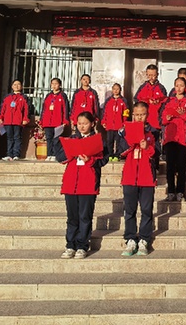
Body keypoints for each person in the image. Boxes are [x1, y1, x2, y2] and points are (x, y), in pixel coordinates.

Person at [55, 111, 108, 259]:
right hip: (71, 183)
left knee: (85, 216)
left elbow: (104, 160)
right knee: (72, 217)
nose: (82, 126)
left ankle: (82, 245)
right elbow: (59, 157)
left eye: (85, 123)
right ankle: (70, 245)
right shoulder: (72, 139)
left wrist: (90, 160)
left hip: (88, 183)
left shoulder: (98, 140)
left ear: (92, 124)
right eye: (79, 123)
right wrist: (71, 152)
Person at [119, 101, 157, 257]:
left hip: (146, 177)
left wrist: (147, 148)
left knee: (146, 210)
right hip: (129, 177)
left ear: (147, 115)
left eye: (142, 114)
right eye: (137, 114)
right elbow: (120, 151)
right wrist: (130, 142)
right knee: (129, 210)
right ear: (132, 115)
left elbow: (157, 153)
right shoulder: (125, 132)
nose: (139, 117)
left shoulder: (153, 133)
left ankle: (144, 239)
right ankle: (130, 239)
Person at [160, 77, 186, 202]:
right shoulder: (168, 101)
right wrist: (167, 118)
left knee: (181, 166)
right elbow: (162, 119)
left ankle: (180, 191)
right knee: (170, 167)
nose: (179, 88)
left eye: (181, 85)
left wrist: (183, 114)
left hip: (183, 138)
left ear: (185, 87)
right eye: (177, 85)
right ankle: (170, 191)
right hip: (170, 137)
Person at [134, 64, 167, 145]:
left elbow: (165, 103)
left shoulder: (161, 88)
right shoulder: (143, 87)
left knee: (155, 144)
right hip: (143, 122)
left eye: (153, 75)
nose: (151, 77)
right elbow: (136, 100)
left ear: (157, 75)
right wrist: (147, 101)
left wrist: (158, 102)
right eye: (149, 75)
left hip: (155, 122)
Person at [0, 79, 30, 161]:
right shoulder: (7, 97)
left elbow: (26, 109)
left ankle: (16, 154)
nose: (16, 86)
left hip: (18, 121)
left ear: (21, 87)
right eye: (15, 84)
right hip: (8, 121)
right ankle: (9, 154)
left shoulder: (24, 97)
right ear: (12, 86)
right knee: (9, 138)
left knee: (17, 138)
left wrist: (25, 119)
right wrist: (0, 117)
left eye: (18, 84)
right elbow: (2, 108)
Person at [40, 78, 69, 162]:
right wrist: (42, 121)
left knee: (56, 139)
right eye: (52, 84)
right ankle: (49, 154)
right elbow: (44, 109)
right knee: (49, 139)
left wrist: (65, 121)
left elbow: (66, 109)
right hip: (47, 122)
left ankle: (55, 155)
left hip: (58, 122)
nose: (54, 85)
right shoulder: (48, 96)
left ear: (60, 85)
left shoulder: (63, 96)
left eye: (56, 84)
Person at [101, 83, 129, 161]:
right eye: (114, 89)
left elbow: (126, 113)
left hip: (119, 125)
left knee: (118, 141)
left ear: (120, 90)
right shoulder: (108, 100)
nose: (115, 90)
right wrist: (103, 121)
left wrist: (124, 123)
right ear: (112, 90)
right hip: (109, 125)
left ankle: (117, 155)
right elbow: (104, 112)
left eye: (117, 89)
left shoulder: (123, 101)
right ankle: (110, 155)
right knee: (109, 141)